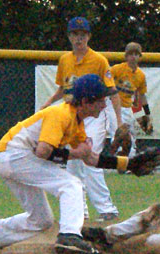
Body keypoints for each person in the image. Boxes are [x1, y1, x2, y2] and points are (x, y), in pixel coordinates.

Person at [0, 74, 160, 254]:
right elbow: (43, 151)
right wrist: (74, 154)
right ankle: (69, 236)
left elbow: (91, 158)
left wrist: (130, 164)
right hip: (16, 155)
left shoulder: (77, 122)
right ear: (85, 101)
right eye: (100, 100)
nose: (104, 104)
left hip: (12, 158)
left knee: (41, 219)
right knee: (71, 185)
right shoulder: (61, 114)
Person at [41, 17, 122, 222]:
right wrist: (48, 103)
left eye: (83, 34)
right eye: (75, 34)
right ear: (69, 37)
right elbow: (63, 88)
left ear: (89, 37)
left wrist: (119, 122)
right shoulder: (64, 60)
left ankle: (107, 209)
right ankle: (79, 210)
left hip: (94, 116)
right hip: (72, 115)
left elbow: (112, 92)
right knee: (73, 161)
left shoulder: (99, 60)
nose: (79, 38)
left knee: (90, 157)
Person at [111, 42, 151, 157]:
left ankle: (129, 162)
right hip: (112, 105)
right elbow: (105, 80)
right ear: (126, 56)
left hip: (127, 107)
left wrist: (147, 113)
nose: (133, 57)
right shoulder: (117, 69)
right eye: (131, 54)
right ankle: (118, 161)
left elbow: (142, 95)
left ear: (140, 57)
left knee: (131, 135)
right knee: (118, 131)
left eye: (136, 54)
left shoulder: (141, 75)